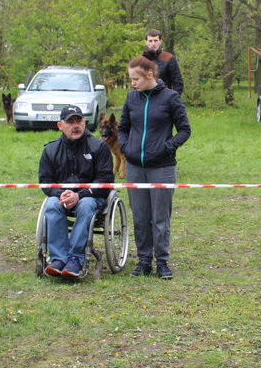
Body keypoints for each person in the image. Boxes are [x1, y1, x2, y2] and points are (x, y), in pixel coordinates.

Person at [118, 56, 191, 279]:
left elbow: (184, 130)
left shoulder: (170, 98)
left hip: (162, 167)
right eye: (131, 79)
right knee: (140, 217)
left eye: (136, 78)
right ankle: (143, 261)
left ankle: (162, 262)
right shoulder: (131, 98)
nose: (132, 83)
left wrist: (167, 147)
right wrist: (126, 147)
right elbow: (122, 128)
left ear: (149, 74)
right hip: (135, 167)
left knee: (160, 217)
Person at [38, 105, 114, 278]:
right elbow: (45, 182)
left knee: (85, 205)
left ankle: (76, 258)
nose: (76, 125)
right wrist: (61, 194)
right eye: (70, 122)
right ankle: (58, 259)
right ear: (60, 125)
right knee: (51, 204)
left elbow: (105, 180)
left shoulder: (99, 147)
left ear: (84, 122)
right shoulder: (50, 150)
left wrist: (79, 195)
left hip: (91, 196)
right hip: (61, 196)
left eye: (79, 121)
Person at [137, 29, 184, 95]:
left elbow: (177, 82)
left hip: (164, 97)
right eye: (150, 41)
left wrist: (174, 98)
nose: (153, 44)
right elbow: (136, 82)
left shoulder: (168, 58)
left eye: (155, 40)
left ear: (160, 41)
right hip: (144, 97)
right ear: (146, 42)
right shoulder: (140, 60)